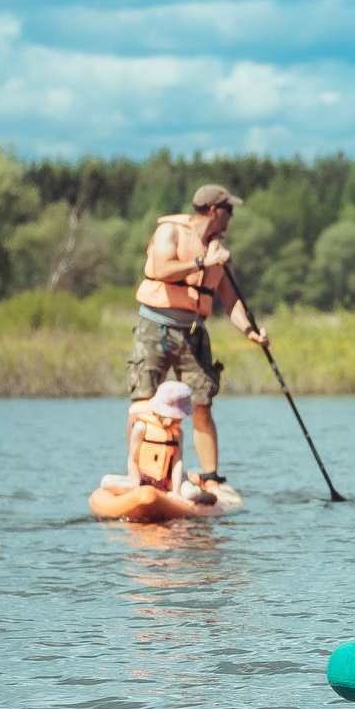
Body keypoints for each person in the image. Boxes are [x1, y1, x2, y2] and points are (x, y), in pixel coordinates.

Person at [129, 184, 268, 487]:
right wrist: (204, 262)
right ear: (214, 210)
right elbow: (161, 269)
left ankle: (210, 477)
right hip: (156, 327)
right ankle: (142, 475)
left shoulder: (220, 251)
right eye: (229, 210)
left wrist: (250, 332)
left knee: (201, 404)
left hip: (194, 333)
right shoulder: (171, 231)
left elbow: (231, 302)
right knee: (144, 402)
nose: (232, 216)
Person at [105, 380, 220, 506]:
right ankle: (156, 492)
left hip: (168, 482)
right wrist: (137, 485)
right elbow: (132, 461)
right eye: (180, 416)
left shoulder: (178, 433)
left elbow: (177, 463)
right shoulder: (141, 427)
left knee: (191, 494)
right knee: (107, 482)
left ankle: (206, 494)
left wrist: (176, 493)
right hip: (144, 480)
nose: (182, 419)